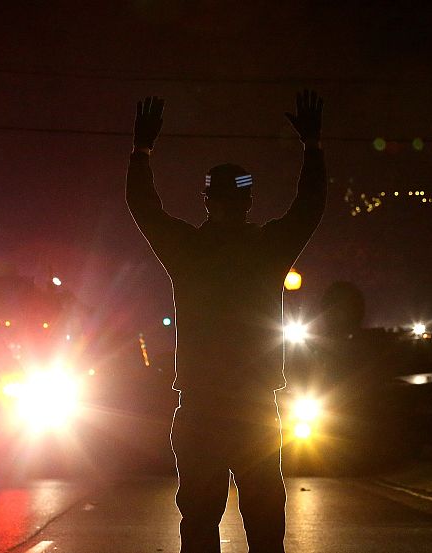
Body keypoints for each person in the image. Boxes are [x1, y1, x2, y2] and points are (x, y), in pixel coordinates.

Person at [126, 91, 326, 552]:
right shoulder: (268, 251)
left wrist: (141, 151)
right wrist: (312, 148)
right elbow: (309, 206)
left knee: (198, 520)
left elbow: (144, 206)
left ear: (207, 201)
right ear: (249, 202)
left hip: (200, 408)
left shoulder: (188, 252)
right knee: (263, 521)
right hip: (255, 407)